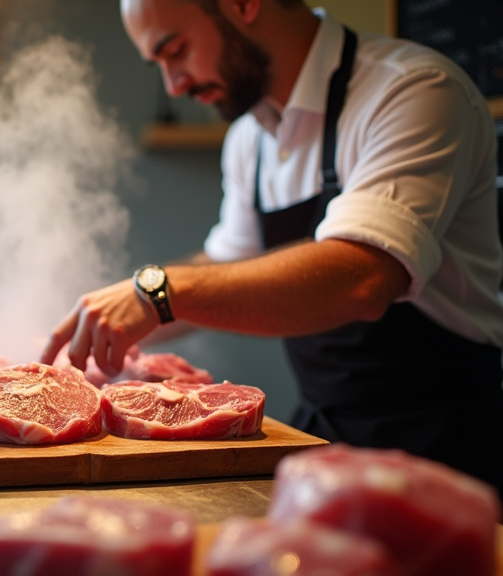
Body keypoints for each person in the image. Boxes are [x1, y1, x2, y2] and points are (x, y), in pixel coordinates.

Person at [41, 0, 503, 497]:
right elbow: (226, 269)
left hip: (442, 447)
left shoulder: (413, 91)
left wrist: (155, 293)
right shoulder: (250, 137)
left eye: (175, 51)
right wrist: (105, 324)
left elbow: (363, 275)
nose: (175, 85)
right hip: (325, 438)